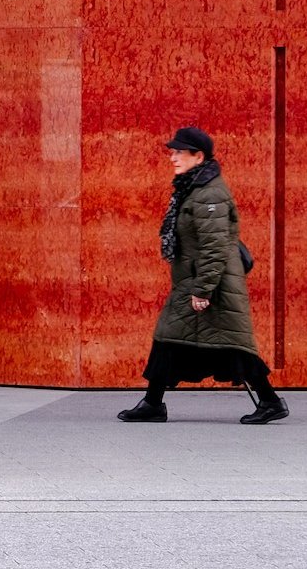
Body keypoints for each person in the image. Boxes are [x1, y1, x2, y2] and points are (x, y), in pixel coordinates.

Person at [118, 126, 290, 425]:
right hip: (194, 280)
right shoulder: (193, 188)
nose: (173, 157)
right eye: (172, 152)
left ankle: (270, 401)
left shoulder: (209, 194)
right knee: (168, 336)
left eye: (179, 152)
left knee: (233, 346)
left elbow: (215, 247)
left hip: (213, 284)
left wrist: (203, 289)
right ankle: (152, 403)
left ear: (199, 156)